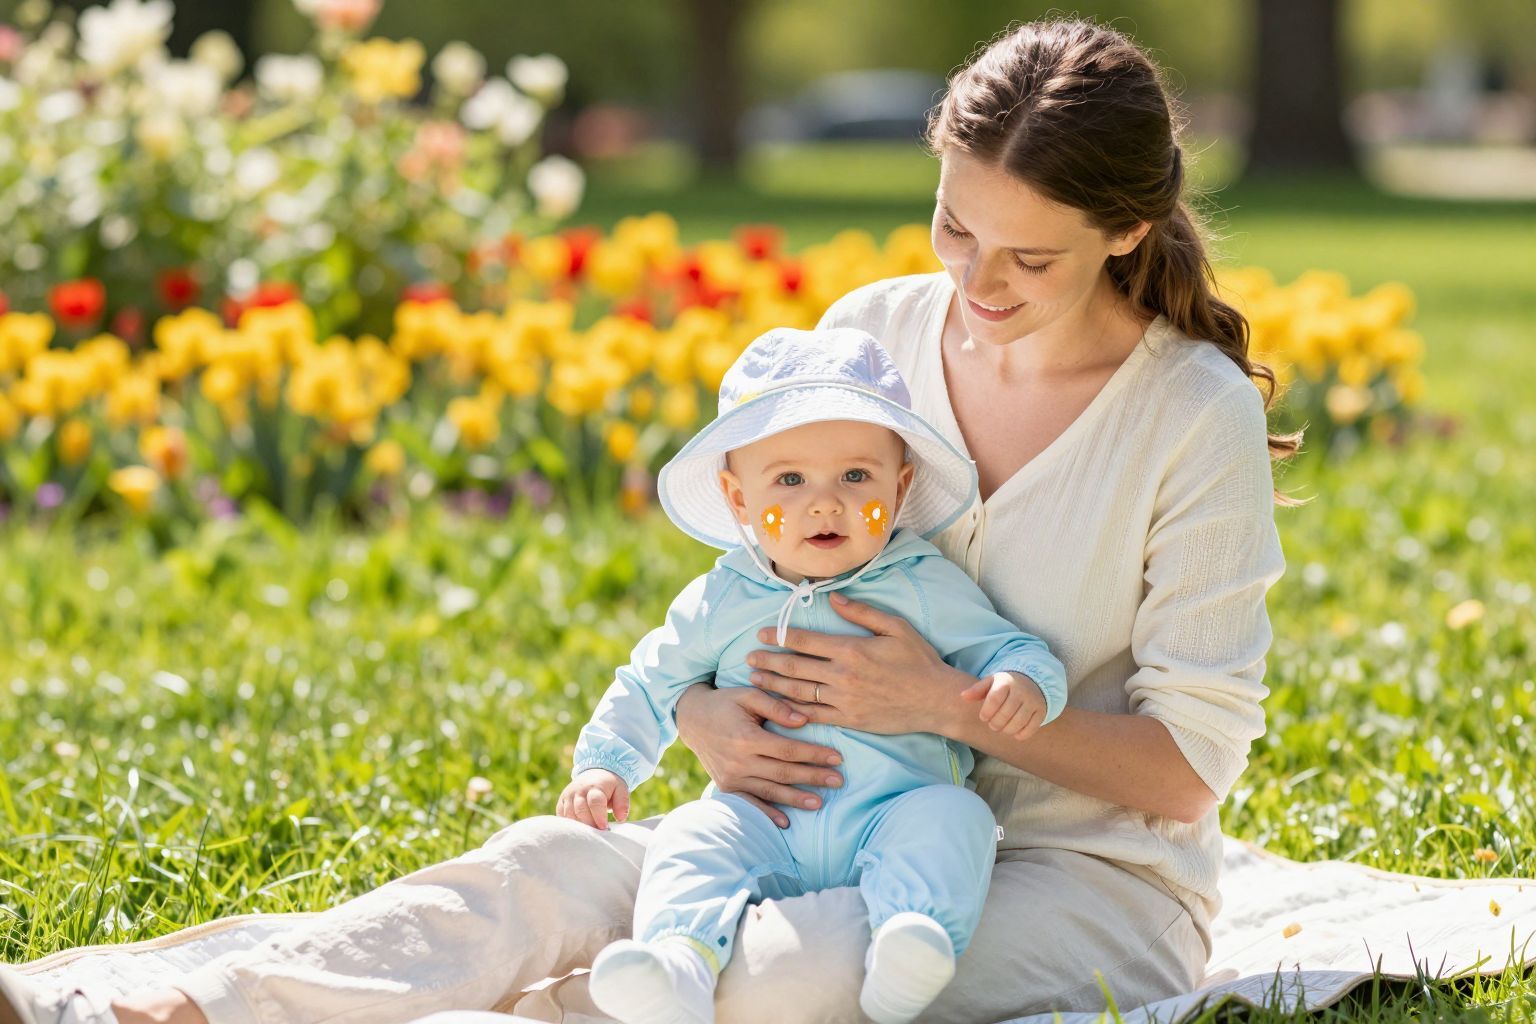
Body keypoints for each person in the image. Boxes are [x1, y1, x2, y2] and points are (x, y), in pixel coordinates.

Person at [0, 17, 1290, 1024]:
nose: (976, 281)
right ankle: (175, 1005)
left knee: (779, 978)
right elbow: (748, 580)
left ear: (1126, 230)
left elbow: (1189, 768)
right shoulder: (867, 342)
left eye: (1032, 257)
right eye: (956, 225)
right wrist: (696, 713)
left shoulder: (1188, 413)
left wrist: (945, 707)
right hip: (804, 809)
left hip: (1079, 878)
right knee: (550, 869)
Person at [562, 326, 1067, 1024]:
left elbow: (1004, 646)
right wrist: (606, 763)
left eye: (856, 476)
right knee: (689, 836)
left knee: (956, 818)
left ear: (902, 483)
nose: (825, 503)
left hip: (890, 815)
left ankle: (910, 946)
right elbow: (651, 680)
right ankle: (676, 967)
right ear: (739, 500)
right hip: (762, 822)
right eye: (789, 480)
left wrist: (1024, 682)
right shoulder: (723, 598)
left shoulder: (920, 582)